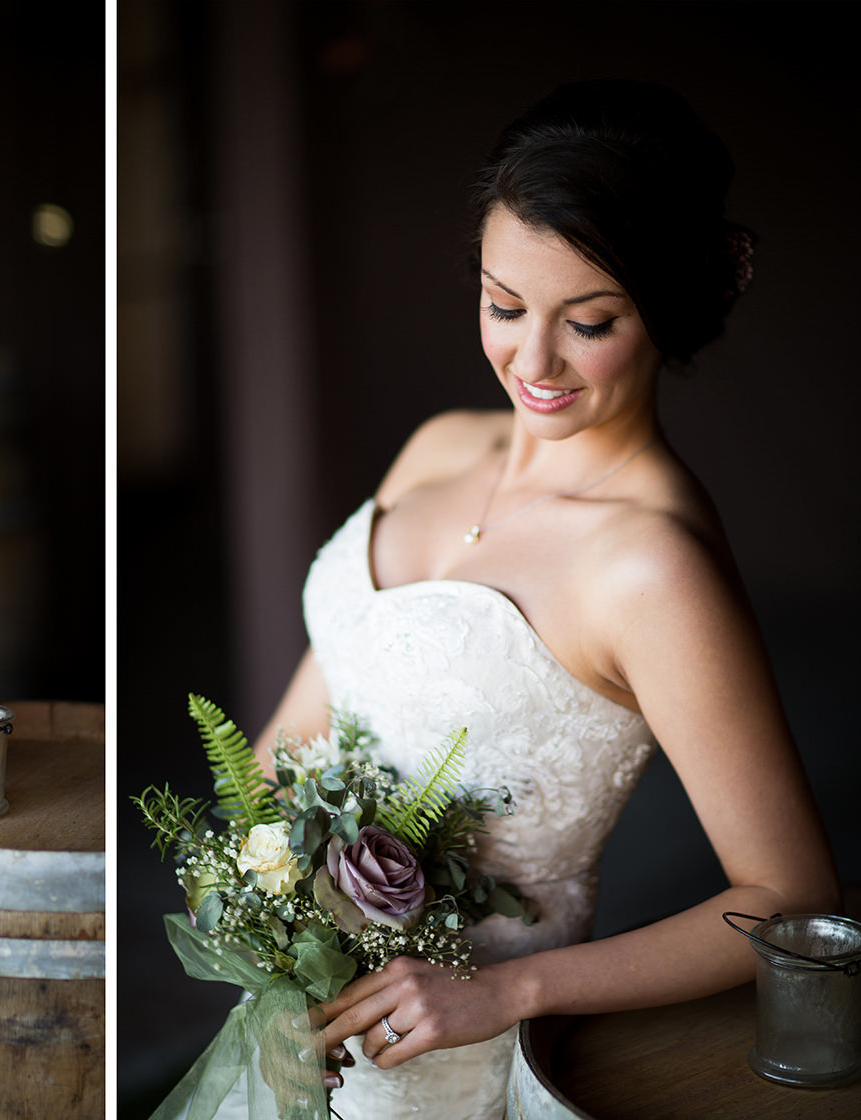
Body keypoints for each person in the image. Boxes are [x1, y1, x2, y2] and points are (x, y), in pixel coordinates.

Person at [216, 80, 838, 1120]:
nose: (533, 361)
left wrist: (509, 987)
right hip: (298, 1019)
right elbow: (300, 723)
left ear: (667, 308)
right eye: (504, 306)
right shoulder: (439, 446)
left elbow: (790, 897)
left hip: (461, 1063)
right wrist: (248, 882)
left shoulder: (650, 565)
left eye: (588, 322)